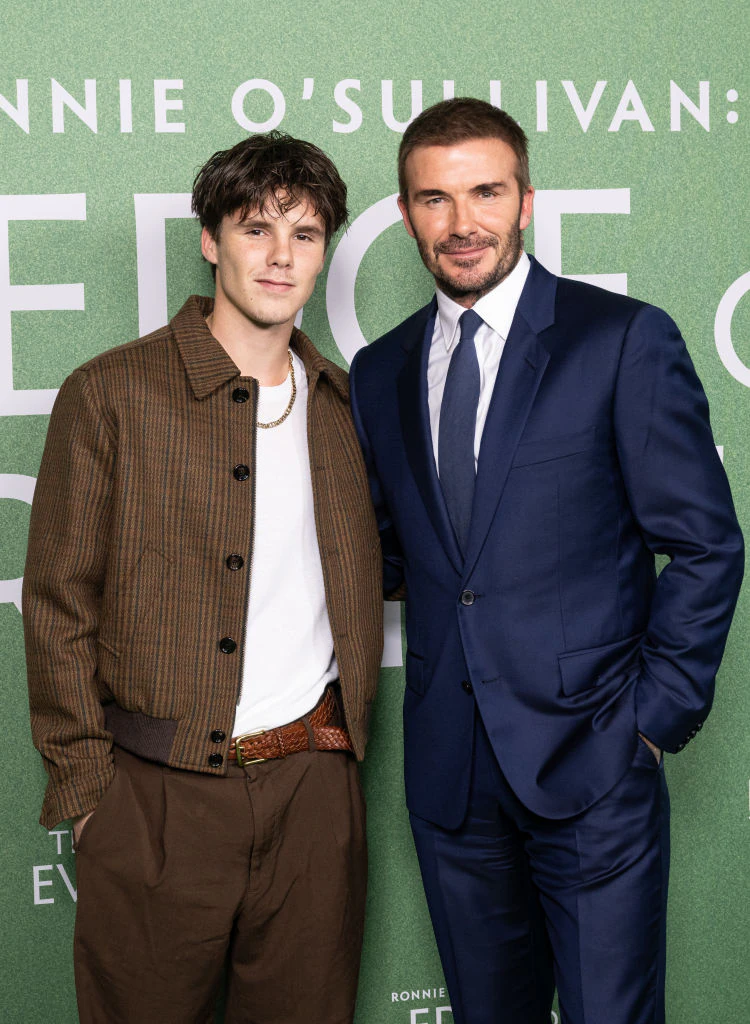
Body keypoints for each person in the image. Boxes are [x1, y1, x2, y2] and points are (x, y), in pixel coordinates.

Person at [349, 98, 744, 1024]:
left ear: (526, 201)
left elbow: (705, 543)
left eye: (486, 193)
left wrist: (650, 721)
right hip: (452, 779)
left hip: (594, 763)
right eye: (435, 199)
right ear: (406, 215)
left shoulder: (621, 339)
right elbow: (393, 554)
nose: (463, 223)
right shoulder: (381, 372)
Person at [24, 131, 383, 1024]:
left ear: (324, 252)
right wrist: (90, 797)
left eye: (305, 234)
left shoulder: (347, 407)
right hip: (156, 795)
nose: (280, 255)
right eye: (256, 228)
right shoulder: (111, 393)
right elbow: (58, 603)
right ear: (211, 241)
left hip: (314, 790)